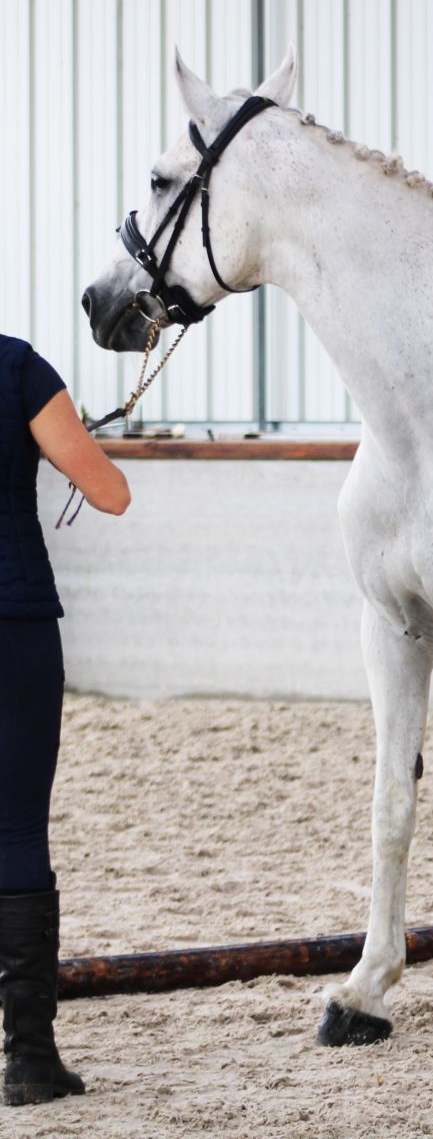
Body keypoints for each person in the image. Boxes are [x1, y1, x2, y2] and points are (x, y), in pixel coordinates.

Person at [0, 331, 130, 1106]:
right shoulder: (17, 367)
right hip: (13, 628)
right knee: (16, 831)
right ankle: (29, 1060)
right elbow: (109, 492)